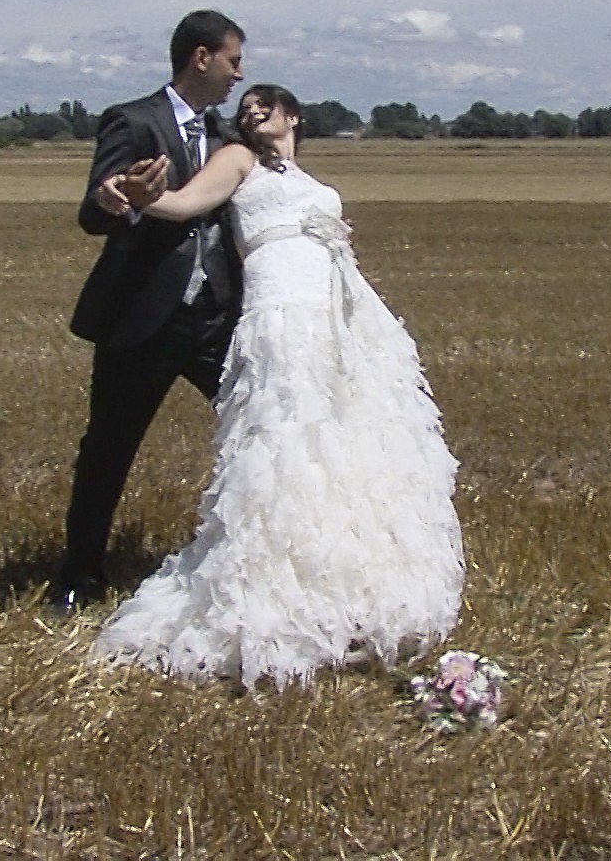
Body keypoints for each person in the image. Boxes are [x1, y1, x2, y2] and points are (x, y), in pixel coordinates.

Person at [89, 84, 464, 689]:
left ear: (293, 116)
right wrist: (139, 199)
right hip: (280, 310)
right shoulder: (238, 160)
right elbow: (183, 205)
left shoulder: (312, 179)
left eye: (265, 104)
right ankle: (275, 587)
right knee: (285, 440)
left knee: (345, 443)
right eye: (245, 108)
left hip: (336, 311)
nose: (251, 111)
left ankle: (351, 584)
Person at [53, 9, 246, 615]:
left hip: (214, 319)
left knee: (261, 428)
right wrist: (112, 197)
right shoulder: (134, 121)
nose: (240, 74)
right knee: (109, 448)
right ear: (201, 57)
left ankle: (253, 558)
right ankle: (77, 577)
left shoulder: (225, 139)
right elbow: (92, 209)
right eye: (234, 60)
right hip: (142, 319)